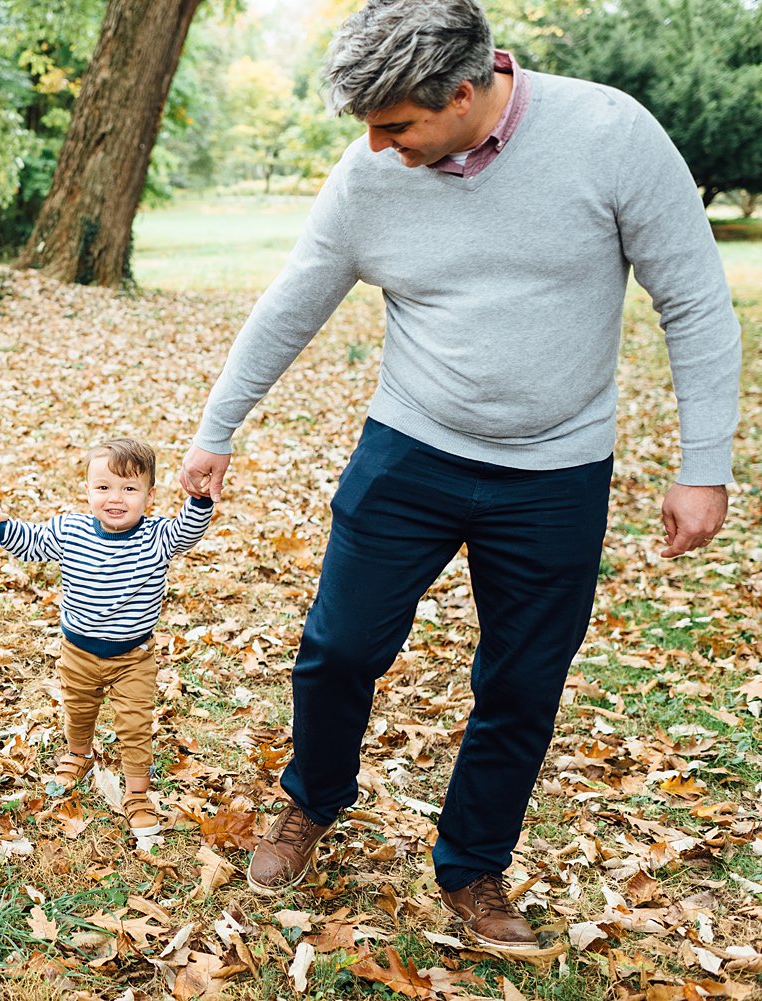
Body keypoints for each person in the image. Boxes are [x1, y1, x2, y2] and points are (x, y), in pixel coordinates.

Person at [179, 0, 740, 951]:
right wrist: (217, 428)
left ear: (467, 91)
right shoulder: (370, 173)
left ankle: (475, 865)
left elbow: (691, 298)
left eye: (396, 124)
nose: (377, 145)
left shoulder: (610, 135)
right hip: (410, 448)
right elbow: (293, 302)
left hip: (556, 471)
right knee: (339, 648)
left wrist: (705, 464)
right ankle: (311, 800)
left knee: (522, 684)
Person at [0, 438, 213, 839]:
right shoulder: (70, 530)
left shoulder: (159, 537)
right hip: (79, 652)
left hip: (133, 656)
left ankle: (137, 794)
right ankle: (78, 753)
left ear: (149, 496)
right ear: (87, 490)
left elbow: (189, 529)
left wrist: (200, 498)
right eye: (103, 487)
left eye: (129, 488)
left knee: (135, 724)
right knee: (79, 708)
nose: (115, 498)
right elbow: (31, 542)